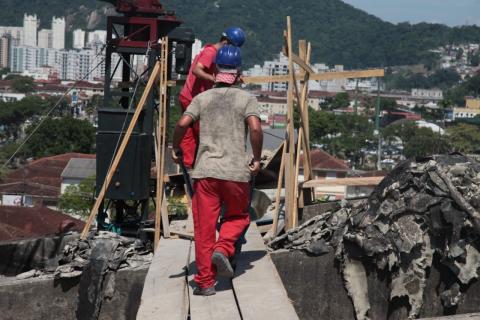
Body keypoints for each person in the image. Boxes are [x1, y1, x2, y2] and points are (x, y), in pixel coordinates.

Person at [172, 45, 263, 296]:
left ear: (217, 70)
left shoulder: (202, 99)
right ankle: (223, 248)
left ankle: (204, 283)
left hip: (206, 173)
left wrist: (175, 146)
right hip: (236, 173)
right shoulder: (246, 99)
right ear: (239, 72)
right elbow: (255, 129)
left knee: (203, 229)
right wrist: (256, 159)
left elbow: (182, 123)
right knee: (238, 216)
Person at [178, 27, 246, 169]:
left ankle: (189, 165)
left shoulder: (215, 53)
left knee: (192, 133)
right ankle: (191, 166)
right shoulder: (211, 52)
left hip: (194, 96)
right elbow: (197, 70)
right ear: (226, 42)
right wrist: (213, 79)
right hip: (192, 97)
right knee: (199, 132)